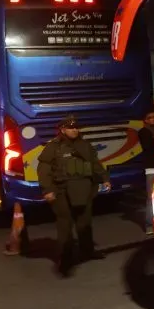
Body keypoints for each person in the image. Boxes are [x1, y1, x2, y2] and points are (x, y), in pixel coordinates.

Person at [36, 115, 111, 277]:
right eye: (71, 128)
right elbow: (44, 170)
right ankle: (65, 259)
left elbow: (95, 164)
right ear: (63, 129)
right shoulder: (54, 147)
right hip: (62, 191)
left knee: (84, 222)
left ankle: (87, 251)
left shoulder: (85, 145)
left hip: (84, 189)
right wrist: (47, 189)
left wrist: (105, 179)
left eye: (77, 127)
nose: (75, 130)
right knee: (65, 225)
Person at [137, 112, 154, 235]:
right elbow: (147, 146)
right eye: (150, 118)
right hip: (151, 168)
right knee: (151, 197)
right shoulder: (144, 132)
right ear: (145, 120)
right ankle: (149, 224)